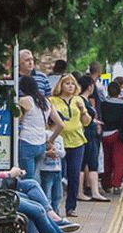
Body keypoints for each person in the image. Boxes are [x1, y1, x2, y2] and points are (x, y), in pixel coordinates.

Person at [50, 74, 91, 217]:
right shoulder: (52, 101)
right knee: (58, 176)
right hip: (59, 141)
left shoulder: (78, 100)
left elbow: (86, 122)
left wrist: (83, 110)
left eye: (72, 83)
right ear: (60, 85)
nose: (70, 86)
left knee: (74, 175)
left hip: (77, 141)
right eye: (66, 83)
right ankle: (54, 206)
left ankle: (70, 207)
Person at [18, 75, 63, 182]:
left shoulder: (24, 101)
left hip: (27, 142)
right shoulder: (46, 102)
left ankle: (35, 199)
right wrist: (50, 140)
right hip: (41, 144)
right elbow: (61, 124)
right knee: (35, 177)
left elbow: (16, 121)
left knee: (27, 180)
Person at [76, 75, 110, 203]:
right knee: (83, 163)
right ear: (90, 87)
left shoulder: (84, 101)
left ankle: (94, 192)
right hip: (85, 135)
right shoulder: (80, 101)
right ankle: (80, 192)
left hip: (91, 135)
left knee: (92, 163)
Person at [100, 81, 123, 193]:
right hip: (119, 135)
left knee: (107, 160)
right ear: (119, 91)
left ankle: (106, 184)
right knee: (118, 160)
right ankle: (116, 184)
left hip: (104, 134)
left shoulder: (103, 104)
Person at [39, 130, 65, 216]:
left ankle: (56, 213)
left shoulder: (60, 137)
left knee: (58, 194)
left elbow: (63, 153)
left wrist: (55, 151)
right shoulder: (44, 134)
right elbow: (40, 152)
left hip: (57, 169)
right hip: (46, 170)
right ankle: (48, 215)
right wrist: (47, 153)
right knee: (47, 194)